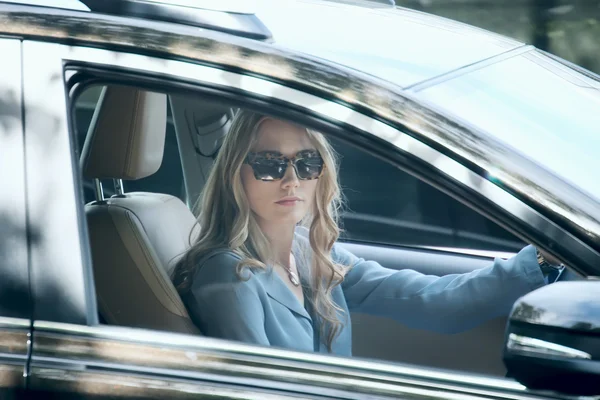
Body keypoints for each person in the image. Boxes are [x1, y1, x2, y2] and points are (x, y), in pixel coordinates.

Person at [171, 109, 564, 356]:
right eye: (269, 164)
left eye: (307, 163)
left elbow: (435, 301)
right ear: (235, 173)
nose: (292, 180)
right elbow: (254, 390)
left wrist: (546, 257)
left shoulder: (313, 254)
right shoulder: (228, 277)